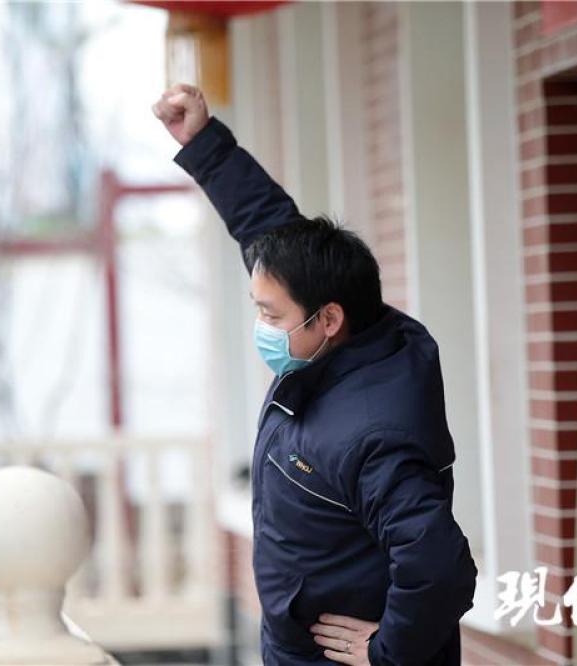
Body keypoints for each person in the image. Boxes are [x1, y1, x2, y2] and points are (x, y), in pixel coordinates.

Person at [153, 83, 478, 666]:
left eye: (271, 315)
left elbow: (439, 565)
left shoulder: (375, 434)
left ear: (329, 318)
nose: (261, 326)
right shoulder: (332, 343)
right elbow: (266, 225)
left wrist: (388, 650)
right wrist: (203, 144)